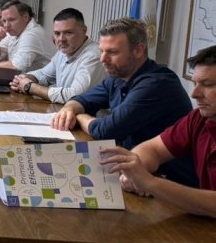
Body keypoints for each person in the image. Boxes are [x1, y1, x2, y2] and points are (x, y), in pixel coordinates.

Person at [100, 45, 216, 243]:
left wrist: (149, 183)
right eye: (195, 83)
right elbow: (153, 148)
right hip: (204, 221)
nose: (195, 93)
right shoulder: (200, 118)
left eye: (207, 85)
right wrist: (135, 166)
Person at [51, 17, 195, 185]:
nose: (102, 59)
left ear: (138, 51)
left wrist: (79, 116)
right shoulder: (119, 76)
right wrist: (69, 108)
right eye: (101, 51)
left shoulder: (157, 84)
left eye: (112, 52)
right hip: (133, 169)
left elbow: (105, 130)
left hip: (168, 181)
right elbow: (82, 99)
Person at [9, 8, 105, 103]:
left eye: (68, 33)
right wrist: (23, 79)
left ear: (84, 30)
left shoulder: (93, 56)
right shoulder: (64, 51)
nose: (61, 39)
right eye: (57, 33)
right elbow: (44, 74)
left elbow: (74, 96)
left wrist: (30, 87)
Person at [0, 0, 52, 73]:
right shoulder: (14, 31)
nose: (6, 25)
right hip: (22, 80)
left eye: (11, 20)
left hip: (41, 84)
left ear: (25, 17)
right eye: (4, 21)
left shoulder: (32, 34)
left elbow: (16, 67)